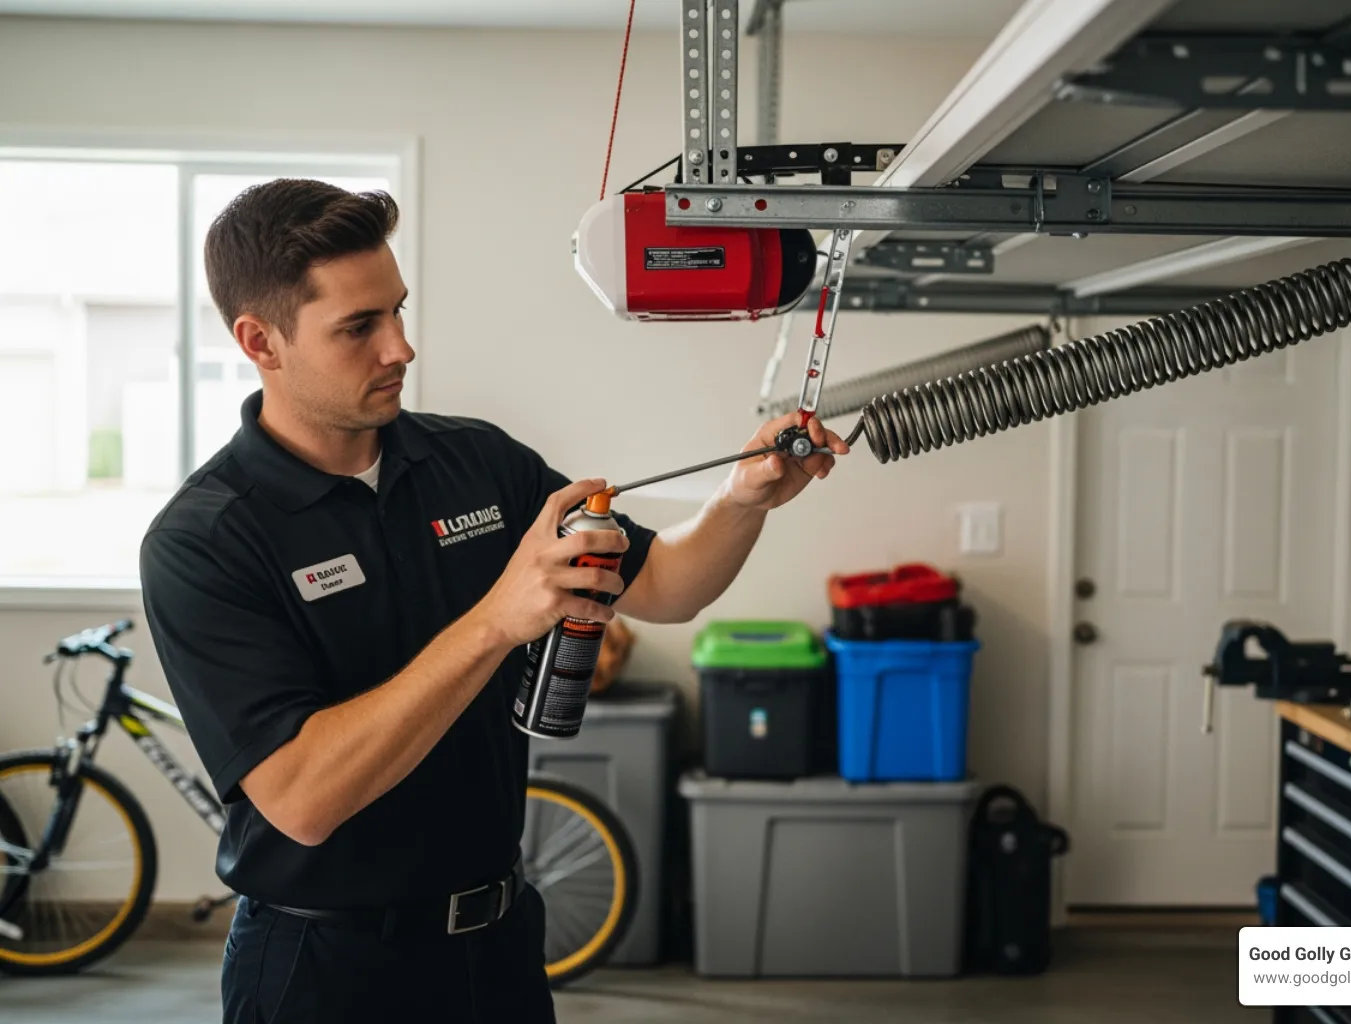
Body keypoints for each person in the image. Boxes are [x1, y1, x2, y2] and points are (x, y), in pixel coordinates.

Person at [137, 178, 848, 1024]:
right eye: (359, 327)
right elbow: (302, 800)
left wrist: (743, 500)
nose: (400, 348)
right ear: (261, 341)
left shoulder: (475, 463)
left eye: (398, 311)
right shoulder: (205, 540)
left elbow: (667, 585)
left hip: (498, 948)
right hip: (324, 970)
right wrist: (497, 621)